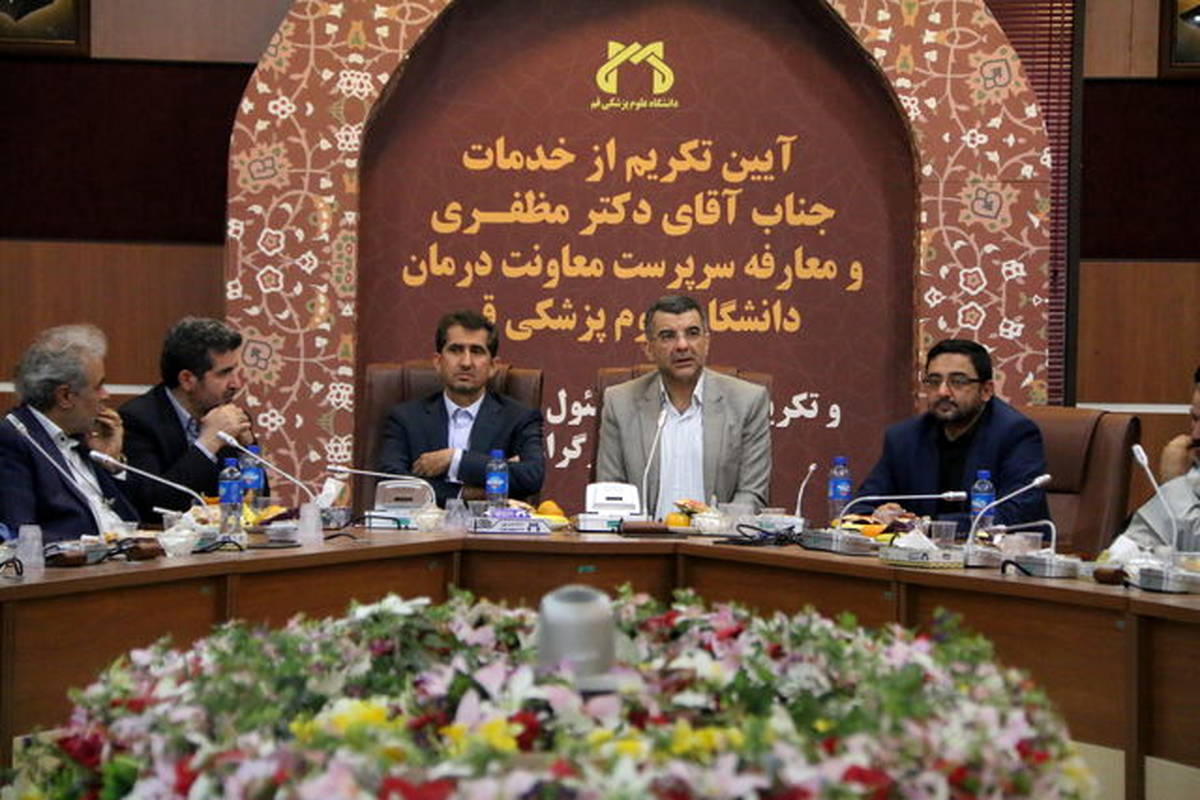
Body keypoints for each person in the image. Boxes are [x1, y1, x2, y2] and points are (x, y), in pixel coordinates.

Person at [595, 295, 771, 518]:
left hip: (717, 537)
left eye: (692, 333)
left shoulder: (747, 401)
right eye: (668, 336)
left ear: (707, 342)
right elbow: (609, 493)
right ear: (649, 348)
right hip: (643, 537)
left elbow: (751, 495)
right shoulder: (620, 403)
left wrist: (715, 529)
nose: (682, 345)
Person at [857, 338, 1050, 531]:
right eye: (934, 381)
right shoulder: (905, 438)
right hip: (918, 548)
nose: (943, 392)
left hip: (1002, 549)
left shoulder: (1016, 434)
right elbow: (860, 506)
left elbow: (1015, 514)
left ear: (986, 390)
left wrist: (926, 525)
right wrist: (880, 515)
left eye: (958, 382)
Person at [376, 310, 544, 507]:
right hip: (422, 526)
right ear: (438, 362)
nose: (466, 363)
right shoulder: (406, 418)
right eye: (455, 350)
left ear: (493, 366)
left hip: (492, 526)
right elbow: (391, 483)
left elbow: (531, 476)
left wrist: (455, 460)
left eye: (477, 351)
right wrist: (467, 493)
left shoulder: (519, 418)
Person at [0, 324, 138, 543]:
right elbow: (21, 536)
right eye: (98, 386)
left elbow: (133, 519)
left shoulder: (84, 438)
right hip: (81, 562)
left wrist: (111, 465)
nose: (106, 395)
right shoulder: (15, 438)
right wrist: (94, 546)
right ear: (65, 397)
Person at [119, 317, 259, 519]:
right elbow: (153, 505)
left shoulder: (229, 417)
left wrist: (247, 451)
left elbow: (256, 504)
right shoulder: (138, 420)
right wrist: (208, 443)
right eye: (224, 373)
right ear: (187, 379)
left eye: (235, 370)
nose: (236, 384)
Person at [1108, 366, 1200, 559]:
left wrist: (1173, 483)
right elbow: (1124, 552)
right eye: (1195, 418)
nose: (1196, 434)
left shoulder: (1180, 481)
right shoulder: (1193, 471)